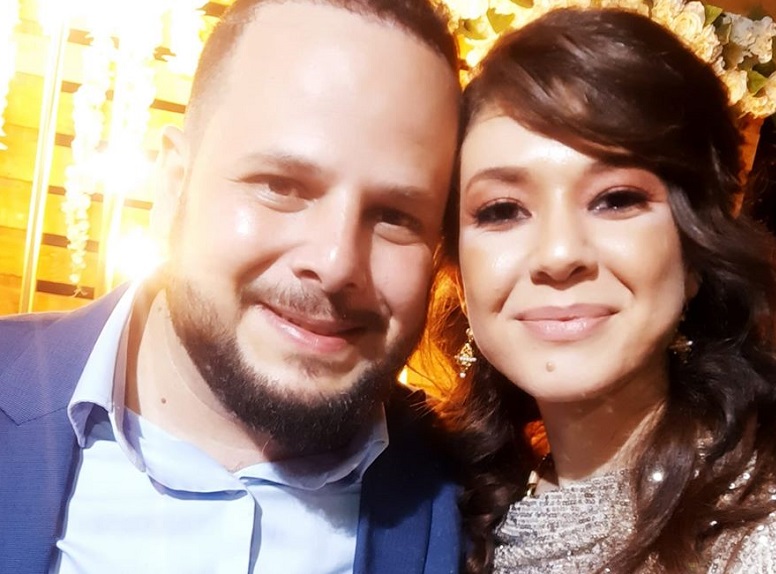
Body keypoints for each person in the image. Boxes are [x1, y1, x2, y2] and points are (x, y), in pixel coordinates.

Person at [0, 0, 463, 572]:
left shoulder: (466, 494)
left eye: (395, 215)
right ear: (175, 184)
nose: (336, 262)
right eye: (280, 185)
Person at [427, 7, 776, 573]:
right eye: (502, 210)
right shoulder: (446, 511)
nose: (558, 254)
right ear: (458, 270)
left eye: (615, 199)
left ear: (694, 253)